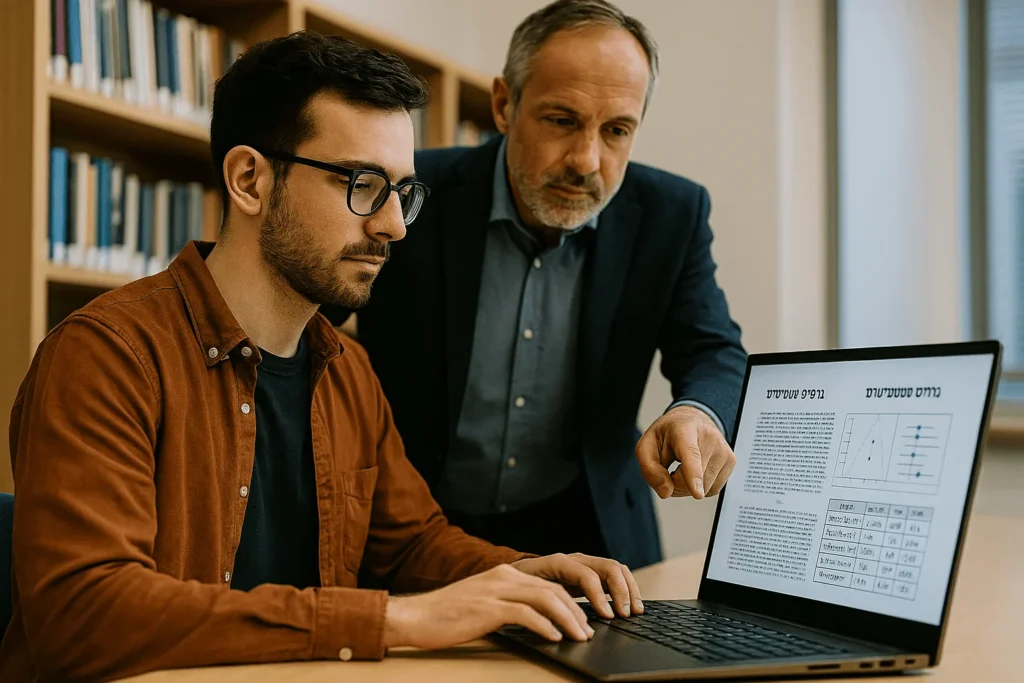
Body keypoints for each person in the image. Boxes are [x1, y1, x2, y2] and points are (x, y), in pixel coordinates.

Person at [0, 32, 644, 683]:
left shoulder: (348, 371)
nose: (393, 225)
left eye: (403, 192)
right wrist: (393, 621)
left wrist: (518, 574)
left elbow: (412, 542)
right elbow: (82, 616)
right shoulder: (107, 357)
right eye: (363, 184)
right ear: (250, 179)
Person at [321, 0, 748, 570]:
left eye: (617, 130)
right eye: (561, 120)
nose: (586, 161)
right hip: (418, 529)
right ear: (504, 104)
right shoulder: (414, 192)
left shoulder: (671, 214)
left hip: (588, 531)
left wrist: (697, 412)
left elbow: (715, 349)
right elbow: (307, 320)